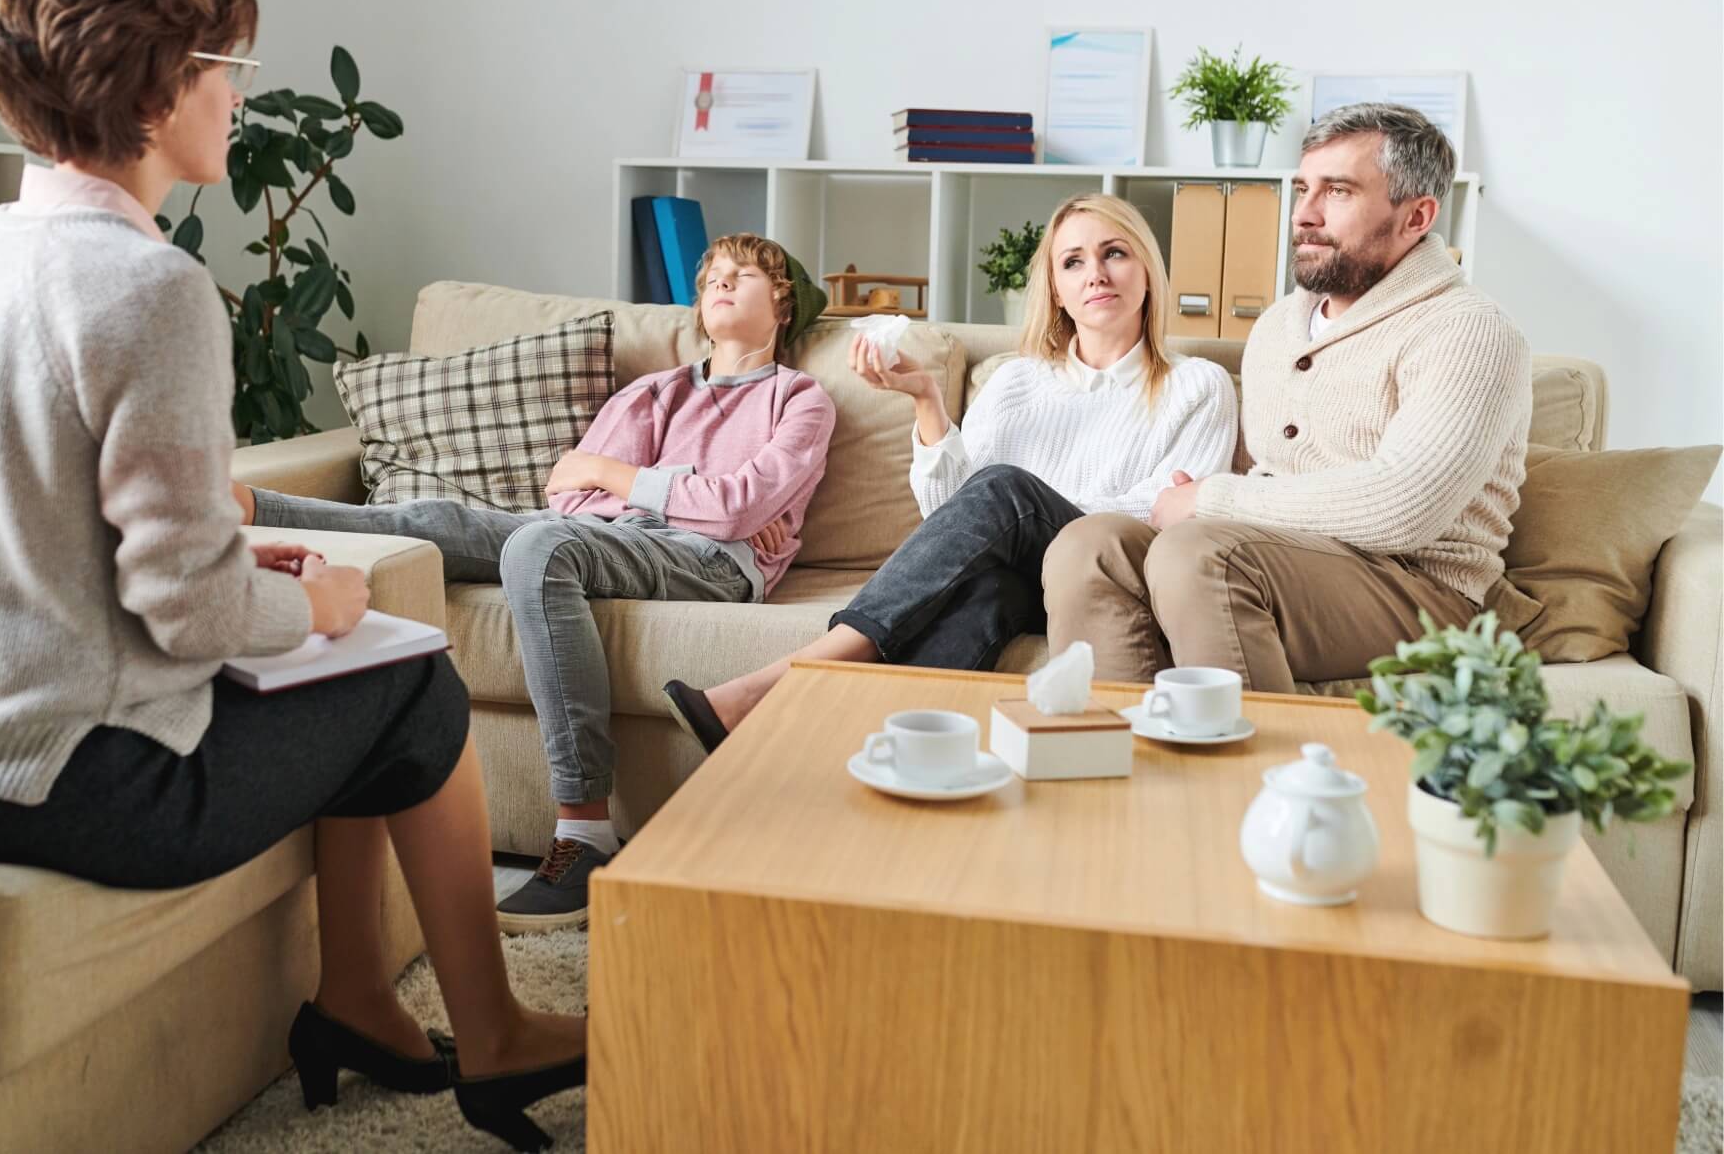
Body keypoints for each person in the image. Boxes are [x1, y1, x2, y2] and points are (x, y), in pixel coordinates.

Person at [0, 0, 581, 1152]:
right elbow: (187, 611)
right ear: (152, 83)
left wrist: (246, 563)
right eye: (226, 65)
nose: (238, 94)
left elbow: (71, 530)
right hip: (70, 776)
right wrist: (319, 604)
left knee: (353, 671)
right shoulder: (150, 286)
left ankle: (357, 1004)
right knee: (413, 682)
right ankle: (494, 1033)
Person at [238, 232, 835, 931]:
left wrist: (642, 485)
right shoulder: (654, 393)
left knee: (538, 548)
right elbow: (568, 493)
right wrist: (696, 497)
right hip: (626, 540)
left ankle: (584, 832)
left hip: (711, 564)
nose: (723, 284)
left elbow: (733, 506)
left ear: (784, 302)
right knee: (442, 519)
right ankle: (256, 510)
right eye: (712, 279)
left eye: (745, 275)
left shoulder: (799, 400)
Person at [663, 194, 1237, 744]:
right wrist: (926, 403)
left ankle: (792, 676)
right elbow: (955, 521)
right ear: (1057, 291)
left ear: (1146, 270)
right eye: (1073, 261)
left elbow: (1166, 515)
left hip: (1107, 572)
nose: (1096, 273)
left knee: (1008, 489)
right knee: (984, 592)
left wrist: (1034, 508)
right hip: (1023, 580)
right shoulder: (1018, 381)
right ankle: (863, 756)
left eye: (1115, 253)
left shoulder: (1198, 384)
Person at [1044, 103, 1532, 693]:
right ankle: (1110, 763)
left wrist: (1213, 499)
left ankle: (1243, 780)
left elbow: (1405, 506)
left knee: (1199, 555)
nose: (1304, 214)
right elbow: (1265, 476)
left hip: (1422, 591)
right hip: (1278, 562)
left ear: (1416, 217)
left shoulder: (1469, 329)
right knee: (1088, 543)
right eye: (1303, 189)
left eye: (1339, 192)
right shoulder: (1279, 325)